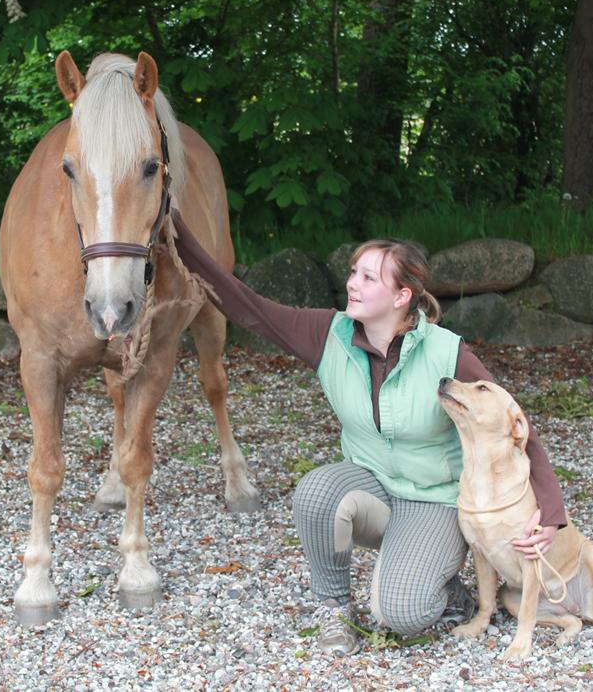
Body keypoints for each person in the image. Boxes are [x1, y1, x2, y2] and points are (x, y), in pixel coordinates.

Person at [170, 211, 566, 656]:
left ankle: (451, 591)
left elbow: (513, 426)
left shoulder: (446, 351)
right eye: (353, 273)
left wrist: (550, 513)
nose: (353, 284)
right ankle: (333, 608)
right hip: (372, 487)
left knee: (401, 615)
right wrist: (177, 234)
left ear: (402, 295)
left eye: (368, 277)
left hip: (433, 500)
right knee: (316, 492)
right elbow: (247, 306)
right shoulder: (328, 333)